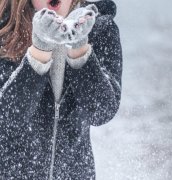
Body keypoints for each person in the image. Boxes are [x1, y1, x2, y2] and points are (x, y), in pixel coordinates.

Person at [0, 0, 122, 179]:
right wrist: (39, 50)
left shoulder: (101, 28)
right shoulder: (6, 27)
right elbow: (7, 117)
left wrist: (79, 48)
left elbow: (101, 112)